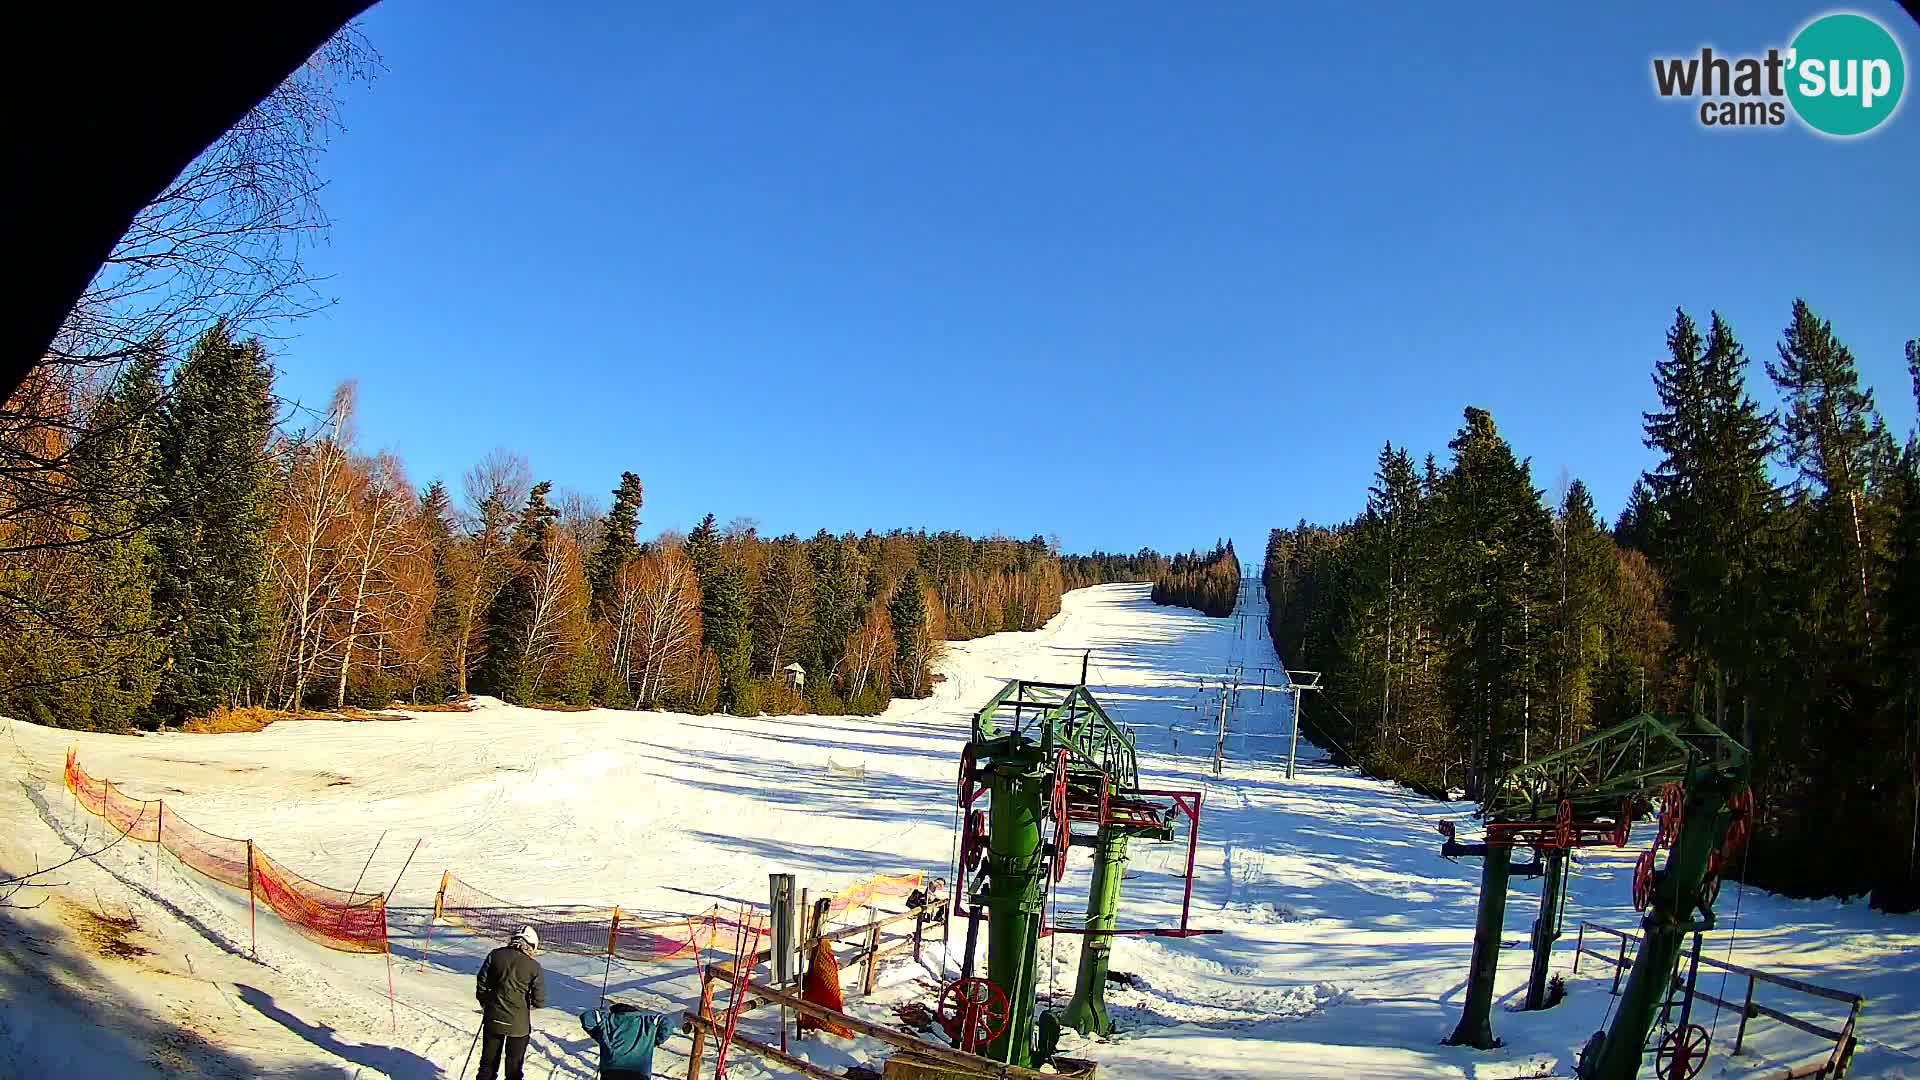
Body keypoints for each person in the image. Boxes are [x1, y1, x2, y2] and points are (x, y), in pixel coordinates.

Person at [475, 926, 547, 1080]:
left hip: (493, 1018)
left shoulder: (495, 956)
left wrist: (486, 1002)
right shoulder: (533, 967)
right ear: (532, 944)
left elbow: (481, 982)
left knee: (487, 1066)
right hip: (518, 1025)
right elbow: (540, 1001)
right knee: (514, 1070)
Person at [579, 1002, 676, 1080]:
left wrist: (599, 1035)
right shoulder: (646, 1022)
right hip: (640, 1074)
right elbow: (668, 1024)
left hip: (611, 1073)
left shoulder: (608, 1020)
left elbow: (587, 1017)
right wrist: (655, 1041)